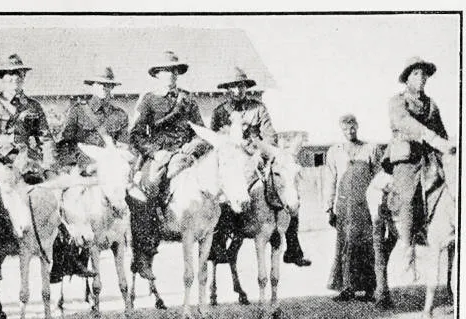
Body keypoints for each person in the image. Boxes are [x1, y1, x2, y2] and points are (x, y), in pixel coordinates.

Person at [208, 67, 311, 267]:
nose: (237, 90)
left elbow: (270, 136)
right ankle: (218, 244)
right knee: (221, 196)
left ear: (246, 87)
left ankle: (292, 247)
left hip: (257, 158)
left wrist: (255, 148)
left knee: (287, 190)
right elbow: (215, 141)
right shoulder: (219, 113)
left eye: (241, 86)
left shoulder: (258, 108)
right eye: (233, 87)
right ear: (227, 90)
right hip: (232, 163)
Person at [0, 54, 54, 294]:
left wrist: (48, 166)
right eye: (8, 78)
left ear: (23, 79)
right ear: (1, 81)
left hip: (26, 164)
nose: (13, 82)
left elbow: (46, 138)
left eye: (17, 77)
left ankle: (62, 259)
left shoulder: (33, 106)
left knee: (50, 203)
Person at [127, 51, 207, 280]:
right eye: (165, 71)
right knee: (147, 192)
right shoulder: (149, 99)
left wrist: (193, 146)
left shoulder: (188, 99)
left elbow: (200, 132)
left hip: (185, 155)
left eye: (173, 71)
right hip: (158, 156)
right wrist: (156, 151)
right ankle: (145, 253)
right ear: (157, 74)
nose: (170, 75)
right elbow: (136, 135)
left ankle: (214, 237)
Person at [49, 66, 129, 282]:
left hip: (109, 173)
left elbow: (123, 148)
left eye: (108, 85)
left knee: (130, 202)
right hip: (83, 171)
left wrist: (113, 163)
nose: (104, 88)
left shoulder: (120, 115)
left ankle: (137, 250)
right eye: (100, 84)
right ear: (93, 86)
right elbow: (65, 144)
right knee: (65, 204)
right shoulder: (78, 111)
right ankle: (69, 258)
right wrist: (80, 166)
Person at [387, 57, 455, 270]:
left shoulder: (431, 104)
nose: (422, 78)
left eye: (424, 74)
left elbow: (442, 132)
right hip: (406, 158)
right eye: (416, 74)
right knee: (407, 196)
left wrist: (449, 145)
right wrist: (431, 138)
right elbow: (403, 122)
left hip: (430, 158)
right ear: (407, 79)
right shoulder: (397, 101)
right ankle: (407, 244)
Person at [324, 114, 380, 301]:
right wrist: (328, 207)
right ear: (341, 129)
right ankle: (347, 288)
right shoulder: (335, 151)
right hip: (344, 205)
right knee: (345, 244)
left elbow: (378, 177)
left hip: (365, 205)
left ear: (358, 126)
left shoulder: (370, 149)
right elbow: (330, 180)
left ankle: (370, 289)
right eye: (346, 128)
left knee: (366, 245)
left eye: (353, 127)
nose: (350, 131)